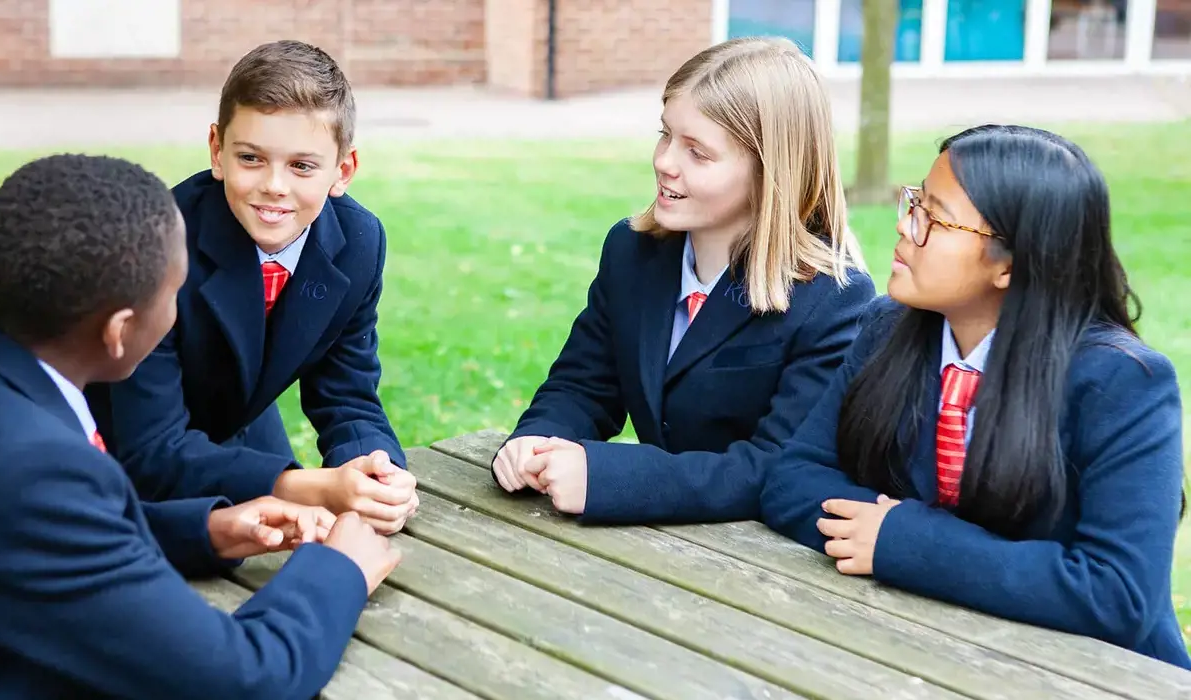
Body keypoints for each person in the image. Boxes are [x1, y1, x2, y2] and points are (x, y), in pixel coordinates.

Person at [0, 153, 403, 698]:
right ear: (120, 331)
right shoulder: (33, 471)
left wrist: (209, 530)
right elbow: (243, 679)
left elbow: (42, 543)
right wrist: (337, 570)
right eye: (173, 293)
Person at [757, 124, 1190, 669]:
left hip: (1099, 675)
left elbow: (1117, 593)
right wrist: (895, 539)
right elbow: (792, 479)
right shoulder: (889, 328)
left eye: (932, 218)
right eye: (912, 202)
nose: (903, 227)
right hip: (920, 650)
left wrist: (907, 542)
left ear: (1010, 263)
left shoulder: (1124, 382)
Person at [491, 36, 875, 524]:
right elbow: (584, 384)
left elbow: (778, 465)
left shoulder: (832, 298)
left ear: (769, 173)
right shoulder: (634, 253)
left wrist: (611, 479)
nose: (664, 161)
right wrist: (540, 436)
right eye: (665, 134)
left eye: (698, 152)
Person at [86, 39, 418, 535]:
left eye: (302, 165)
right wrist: (312, 486)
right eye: (251, 158)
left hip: (238, 422)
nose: (275, 186)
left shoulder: (358, 242)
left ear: (342, 170)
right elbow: (152, 453)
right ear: (217, 151)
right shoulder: (154, 247)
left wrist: (376, 471)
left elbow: (346, 392)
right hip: (118, 451)